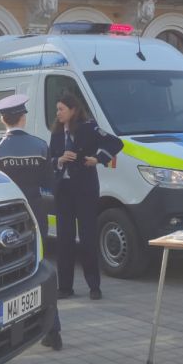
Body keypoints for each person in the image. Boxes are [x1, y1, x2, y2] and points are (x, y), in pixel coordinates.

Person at [0, 94, 64, 350]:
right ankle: (53, 331)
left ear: (3, 119)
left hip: (5, 221)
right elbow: (50, 184)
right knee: (39, 269)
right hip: (35, 216)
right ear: (23, 117)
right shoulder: (40, 146)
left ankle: (5, 333)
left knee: (6, 275)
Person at [49, 92, 123, 300]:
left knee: (87, 237)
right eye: (57, 109)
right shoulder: (56, 132)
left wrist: (97, 159)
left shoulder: (88, 128)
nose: (58, 113)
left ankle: (94, 286)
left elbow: (115, 143)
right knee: (64, 239)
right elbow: (50, 157)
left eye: (61, 109)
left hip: (84, 189)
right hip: (63, 190)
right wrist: (60, 160)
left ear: (73, 110)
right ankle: (65, 287)